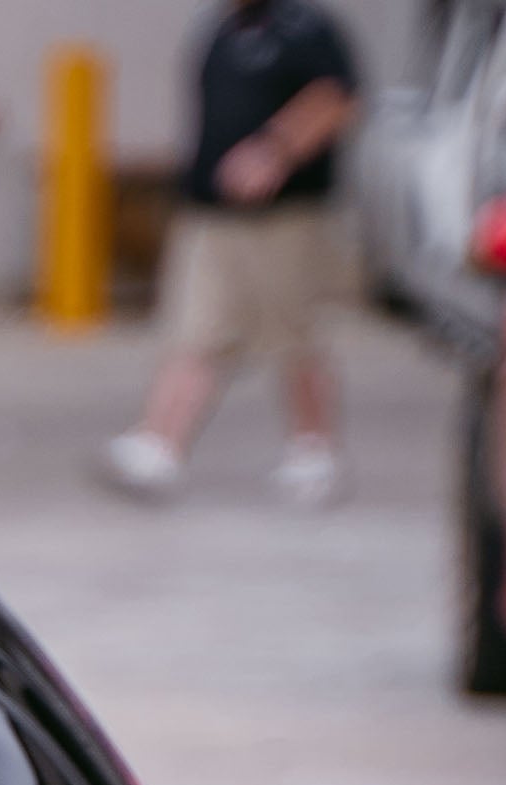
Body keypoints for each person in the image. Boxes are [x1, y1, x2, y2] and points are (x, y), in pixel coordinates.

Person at [104, 0, 361, 506]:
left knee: (293, 333)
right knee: (193, 330)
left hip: (283, 218)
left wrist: (275, 151)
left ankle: (314, 450)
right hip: (212, 215)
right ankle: (160, 444)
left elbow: (336, 99)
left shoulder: (303, 28)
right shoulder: (223, 27)